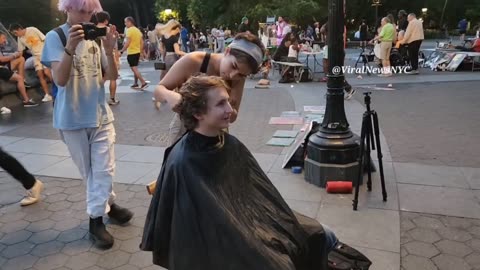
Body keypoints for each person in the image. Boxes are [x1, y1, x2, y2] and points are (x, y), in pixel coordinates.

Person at [141, 75, 338, 270]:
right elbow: (203, 226)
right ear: (199, 113)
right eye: (221, 104)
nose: (231, 110)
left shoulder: (229, 144)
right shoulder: (183, 162)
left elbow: (257, 195)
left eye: (228, 101)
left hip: (248, 220)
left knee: (323, 234)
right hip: (222, 241)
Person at [41, 0, 133, 249]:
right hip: (71, 119)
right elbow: (60, 81)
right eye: (81, 11)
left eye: (90, 12)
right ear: (67, 8)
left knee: (104, 168)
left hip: (101, 115)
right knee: (90, 174)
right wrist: (70, 46)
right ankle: (110, 205)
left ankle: (95, 221)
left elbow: (110, 76)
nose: (86, 17)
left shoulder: (95, 38)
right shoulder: (55, 37)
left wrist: (111, 49)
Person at [153, 32, 265, 146]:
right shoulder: (193, 60)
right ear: (227, 51)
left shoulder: (238, 77)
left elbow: (233, 116)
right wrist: (170, 96)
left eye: (242, 75)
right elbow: (158, 90)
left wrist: (227, 109)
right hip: (185, 126)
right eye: (233, 66)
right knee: (177, 161)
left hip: (215, 130)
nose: (233, 76)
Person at [9, 23, 53, 102]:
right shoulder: (20, 38)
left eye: (15, 32)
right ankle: (47, 94)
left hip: (44, 53)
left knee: (47, 72)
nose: (16, 35)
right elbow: (20, 51)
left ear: (19, 29)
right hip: (36, 57)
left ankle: (59, 89)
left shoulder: (32, 29)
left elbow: (45, 39)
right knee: (40, 75)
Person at [0, 32, 38, 107]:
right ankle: (26, 100)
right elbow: (2, 59)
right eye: (3, 38)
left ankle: (23, 81)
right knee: (19, 78)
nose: (5, 40)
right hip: (1, 69)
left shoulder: (1, 47)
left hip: (3, 67)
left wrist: (16, 54)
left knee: (21, 59)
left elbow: (5, 56)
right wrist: (14, 55)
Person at [95, 11, 119, 105]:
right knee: (113, 77)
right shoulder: (110, 30)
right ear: (106, 20)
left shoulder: (91, 30)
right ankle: (112, 99)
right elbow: (115, 46)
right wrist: (116, 57)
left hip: (96, 54)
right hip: (108, 55)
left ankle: (96, 95)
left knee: (99, 76)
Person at [120, 16, 148, 90]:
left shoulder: (129, 30)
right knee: (135, 67)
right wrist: (141, 51)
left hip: (132, 52)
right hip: (137, 51)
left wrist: (122, 51)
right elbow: (142, 42)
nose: (125, 24)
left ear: (130, 22)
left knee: (134, 68)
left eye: (125, 22)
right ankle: (135, 83)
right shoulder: (137, 30)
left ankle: (143, 82)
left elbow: (127, 42)